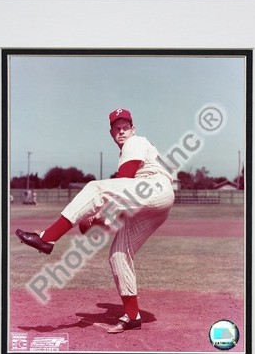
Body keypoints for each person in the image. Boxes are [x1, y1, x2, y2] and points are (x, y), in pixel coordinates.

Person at [16, 108, 175, 333]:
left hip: (154, 187)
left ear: (133, 129)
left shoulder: (135, 142)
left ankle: (48, 238)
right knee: (119, 254)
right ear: (111, 133)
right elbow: (122, 200)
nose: (122, 132)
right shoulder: (127, 147)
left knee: (95, 188)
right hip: (153, 203)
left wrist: (95, 217)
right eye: (117, 128)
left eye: (125, 127)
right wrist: (98, 220)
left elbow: (126, 179)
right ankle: (133, 316)